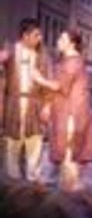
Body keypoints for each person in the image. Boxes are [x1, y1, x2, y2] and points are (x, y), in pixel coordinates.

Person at [32, 29, 92, 191]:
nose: (58, 41)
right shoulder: (67, 60)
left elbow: (60, 86)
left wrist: (39, 79)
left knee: (69, 156)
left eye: (62, 39)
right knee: (66, 158)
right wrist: (48, 105)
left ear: (71, 43)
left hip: (71, 116)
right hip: (65, 113)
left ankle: (71, 197)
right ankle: (69, 193)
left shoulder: (72, 62)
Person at [0, 18, 51, 182]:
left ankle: (33, 180)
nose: (40, 38)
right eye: (36, 35)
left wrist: (47, 105)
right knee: (12, 143)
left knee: (35, 141)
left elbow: (48, 81)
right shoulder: (10, 51)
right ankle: (13, 182)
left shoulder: (42, 55)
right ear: (25, 36)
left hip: (34, 104)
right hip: (13, 104)